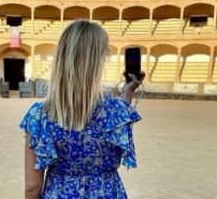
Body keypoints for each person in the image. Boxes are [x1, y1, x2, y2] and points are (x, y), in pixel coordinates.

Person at [19, 20, 144, 199]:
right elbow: (120, 125)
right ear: (99, 60)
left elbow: (32, 186)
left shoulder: (39, 115)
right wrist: (128, 91)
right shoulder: (116, 111)